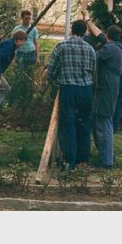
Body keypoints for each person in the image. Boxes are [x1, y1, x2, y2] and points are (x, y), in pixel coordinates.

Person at [46, 20, 96, 168]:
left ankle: (69, 162)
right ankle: (83, 162)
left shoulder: (61, 47)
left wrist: (53, 80)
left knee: (68, 125)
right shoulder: (90, 49)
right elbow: (93, 71)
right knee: (84, 124)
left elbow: (51, 70)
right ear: (85, 31)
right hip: (86, 90)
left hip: (68, 89)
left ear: (72, 31)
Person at [85, 18, 122, 168]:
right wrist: (88, 22)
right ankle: (107, 156)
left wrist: (86, 37)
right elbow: (101, 36)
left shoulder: (108, 50)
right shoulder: (116, 46)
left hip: (105, 89)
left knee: (103, 122)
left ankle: (106, 161)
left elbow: (92, 56)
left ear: (109, 35)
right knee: (99, 121)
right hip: (110, 88)